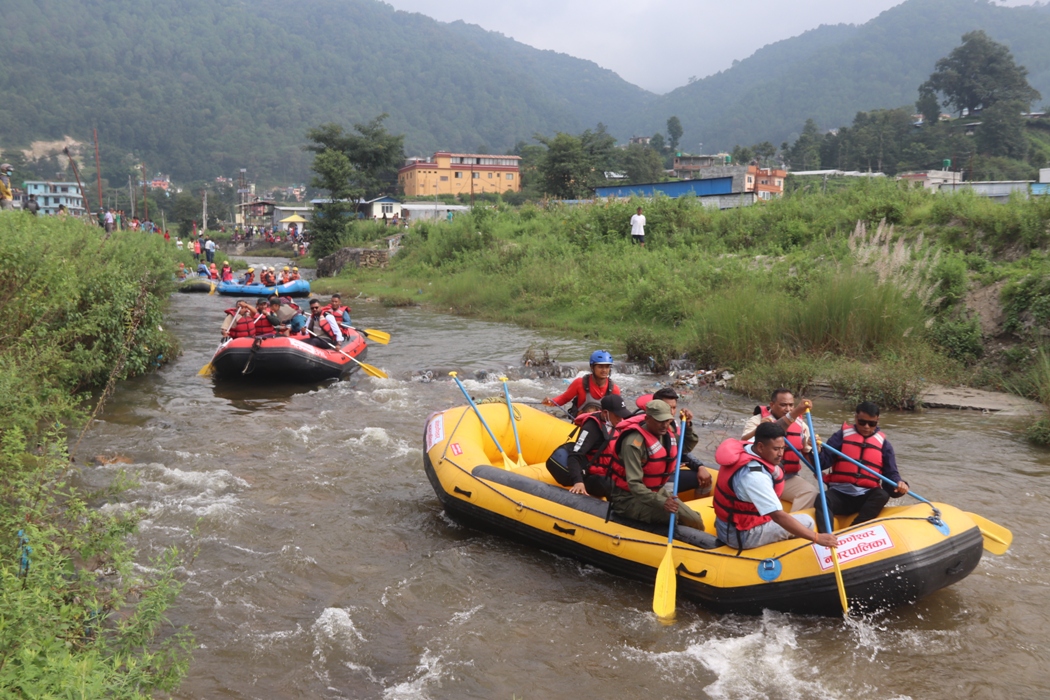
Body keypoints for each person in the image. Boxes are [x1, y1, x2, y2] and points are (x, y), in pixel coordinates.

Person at [714, 423, 839, 550]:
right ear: (761, 447)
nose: (781, 454)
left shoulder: (749, 447)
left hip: (726, 526)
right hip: (742, 536)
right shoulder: (755, 477)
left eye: (782, 448)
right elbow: (778, 516)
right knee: (807, 522)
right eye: (776, 449)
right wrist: (817, 537)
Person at [602, 399, 706, 530]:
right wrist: (662, 502)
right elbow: (634, 484)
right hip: (628, 498)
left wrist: (689, 425)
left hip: (656, 491)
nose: (664, 425)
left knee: (695, 520)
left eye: (667, 421)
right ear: (647, 419)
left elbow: (686, 446)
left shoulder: (667, 433)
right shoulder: (633, 443)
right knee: (670, 517)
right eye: (659, 421)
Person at [815, 402, 909, 532]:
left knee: (882, 495)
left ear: (877, 421)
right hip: (840, 494)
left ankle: (853, 531)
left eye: (871, 424)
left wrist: (899, 484)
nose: (866, 427)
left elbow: (891, 473)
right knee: (822, 498)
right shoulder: (840, 436)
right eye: (862, 422)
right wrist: (814, 449)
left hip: (865, 497)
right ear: (855, 418)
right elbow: (823, 462)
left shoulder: (884, 445)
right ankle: (826, 536)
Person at [740, 389, 819, 511]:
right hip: (761, 475)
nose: (788, 409)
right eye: (783, 405)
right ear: (772, 405)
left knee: (810, 492)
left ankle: (794, 526)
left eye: (791, 405)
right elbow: (744, 443)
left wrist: (815, 446)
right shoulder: (757, 420)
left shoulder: (801, 425)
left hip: (787, 477)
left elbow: (808, 453)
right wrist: (759, 429)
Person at [546, 394, 634, 496]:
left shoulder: (616, 423)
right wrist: (578, 482)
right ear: (605, 413)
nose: (620, 419)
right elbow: (575, 456)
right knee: (607, 485)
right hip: (592, 476)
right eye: (617, 416)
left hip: (610, 470)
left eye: (622, 415)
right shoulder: (591, 428)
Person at [636, 387, 712, 498]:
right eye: (668, 408)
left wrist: (699, 466)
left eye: (674, 407)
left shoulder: (671, 425)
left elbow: (683, 449)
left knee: (706, 480)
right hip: (650, 480)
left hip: (667, 473)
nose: (671, 412)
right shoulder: (648, 427)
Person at [543, 350, 620, 418]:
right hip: (582, 425)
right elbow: (564, 398)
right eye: (600, 367)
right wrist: (551, 402)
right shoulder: (580, 383)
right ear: (592, 367)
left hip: (601, 427)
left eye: (607, 367)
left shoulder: (614, 389)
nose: (604, 370)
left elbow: (617, 413)